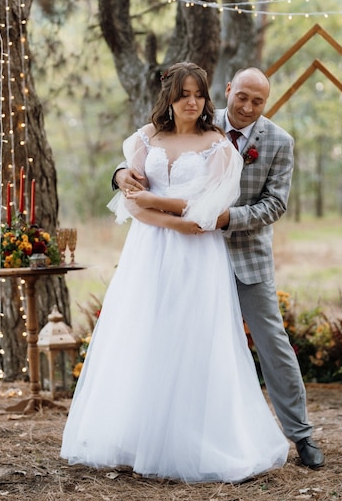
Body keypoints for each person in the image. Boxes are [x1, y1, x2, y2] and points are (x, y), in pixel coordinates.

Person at [61, 62, 289, 483]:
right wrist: (162, 214)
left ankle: (198, 438)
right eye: (184, 93)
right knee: (145, 332)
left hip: (198, 256)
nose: (191, 101)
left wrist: (158, 202)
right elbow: (130, 200)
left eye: (197, 95)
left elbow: (208, 209)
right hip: (149, 249)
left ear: (207, 98)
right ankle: (139, 435)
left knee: (195, 336)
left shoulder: (219, 144)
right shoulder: (148, 139)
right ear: (171, 97)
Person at [114, 66, 325, 470]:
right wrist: (120, 173)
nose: (247, 106)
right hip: (183, 253)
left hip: (244, 254)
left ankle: (302, 435)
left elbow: (274, 205)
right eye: (241, 96)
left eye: (257, 101)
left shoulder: (279, 141)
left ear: (267, 102)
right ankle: (180, 434)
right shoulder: (197, 119)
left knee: (271, 342)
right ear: (228, 90)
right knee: (181, 340)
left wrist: (221, 219)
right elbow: (151, 162)